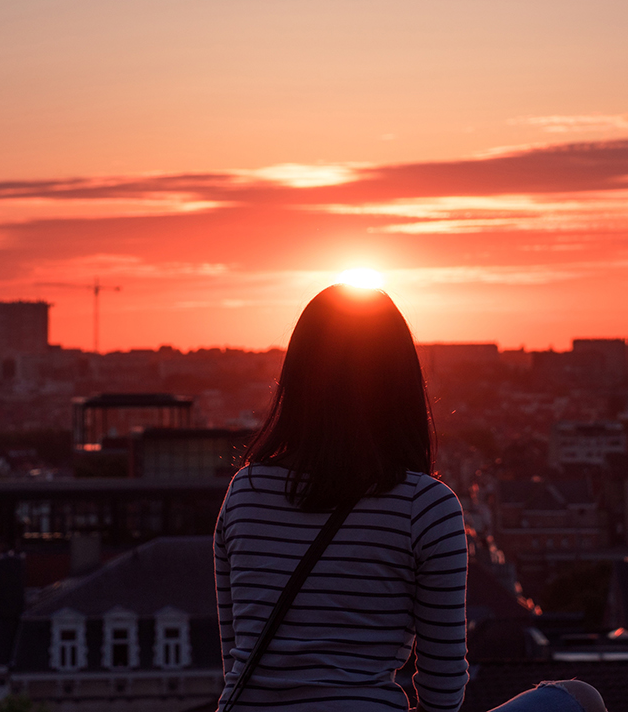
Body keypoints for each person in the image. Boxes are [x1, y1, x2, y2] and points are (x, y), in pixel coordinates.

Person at [214, 284, 606, 712]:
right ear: (400, 383)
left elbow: (239, 657)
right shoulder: (426, 506)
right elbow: (441, 693)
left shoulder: (244, 492)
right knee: (580, 699)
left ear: (298, 378)